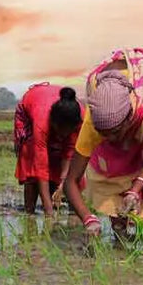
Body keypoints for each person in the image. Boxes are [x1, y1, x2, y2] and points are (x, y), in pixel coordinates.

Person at [62, 48, 143, 244]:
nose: (111, 138)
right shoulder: (93, 124)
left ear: (129, 119)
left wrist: (135, 188)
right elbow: (70, 182)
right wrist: (89, 219)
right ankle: (120, 242)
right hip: (113, 102)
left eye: (115, 132)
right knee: (112, 173)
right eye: (104, 135)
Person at [13, 83, 84, 215]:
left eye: (67, 132)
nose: (63, 136)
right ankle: (30, 213)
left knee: (58, 161)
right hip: (29, 115)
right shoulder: (42, 119)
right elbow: (41, 166)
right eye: (61, 131)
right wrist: (48, 210)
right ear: (53, 122)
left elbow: (69, 153)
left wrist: (63, 184)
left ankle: (58, 202)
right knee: (32, 167)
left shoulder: (79, 118)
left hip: (54, 111)